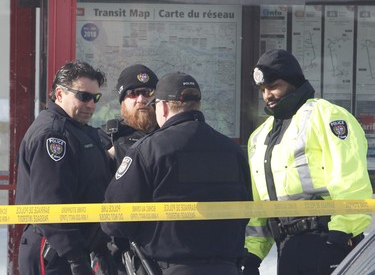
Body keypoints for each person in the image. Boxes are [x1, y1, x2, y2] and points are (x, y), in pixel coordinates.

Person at [101, 71, 252, 275]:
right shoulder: (233, 151)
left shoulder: (148, 150)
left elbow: (115, 220)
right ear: (197, 105)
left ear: (162, 107)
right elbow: (245, 210)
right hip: (227, 267)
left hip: (168, 267)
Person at [243, 49, 373, 275]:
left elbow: (350, 178)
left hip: (328, 239)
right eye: (263, 90)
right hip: (288, 245)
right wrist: (253, 255)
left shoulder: (327, 116)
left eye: (274, 86)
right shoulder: (260, 136)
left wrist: (341, 235)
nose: (267, 95)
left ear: (293, 82)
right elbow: (262, 203)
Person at [16, 60, 117, 275]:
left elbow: (91, 189)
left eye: (95, 97)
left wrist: (99, 247)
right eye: (83, 96)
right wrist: (76, 257)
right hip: (54, 251)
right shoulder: (54, 135)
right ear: (60, 94)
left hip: (75, 247)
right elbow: (51, 202)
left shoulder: (78, 131)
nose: (91, 104)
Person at [99, 64, 159, 274]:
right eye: (133, 94)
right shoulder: (106, 138)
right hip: (118, 249)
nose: (141, 99)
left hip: (162, 245)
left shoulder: (171, 135)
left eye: (148, 93)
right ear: (122, 101)